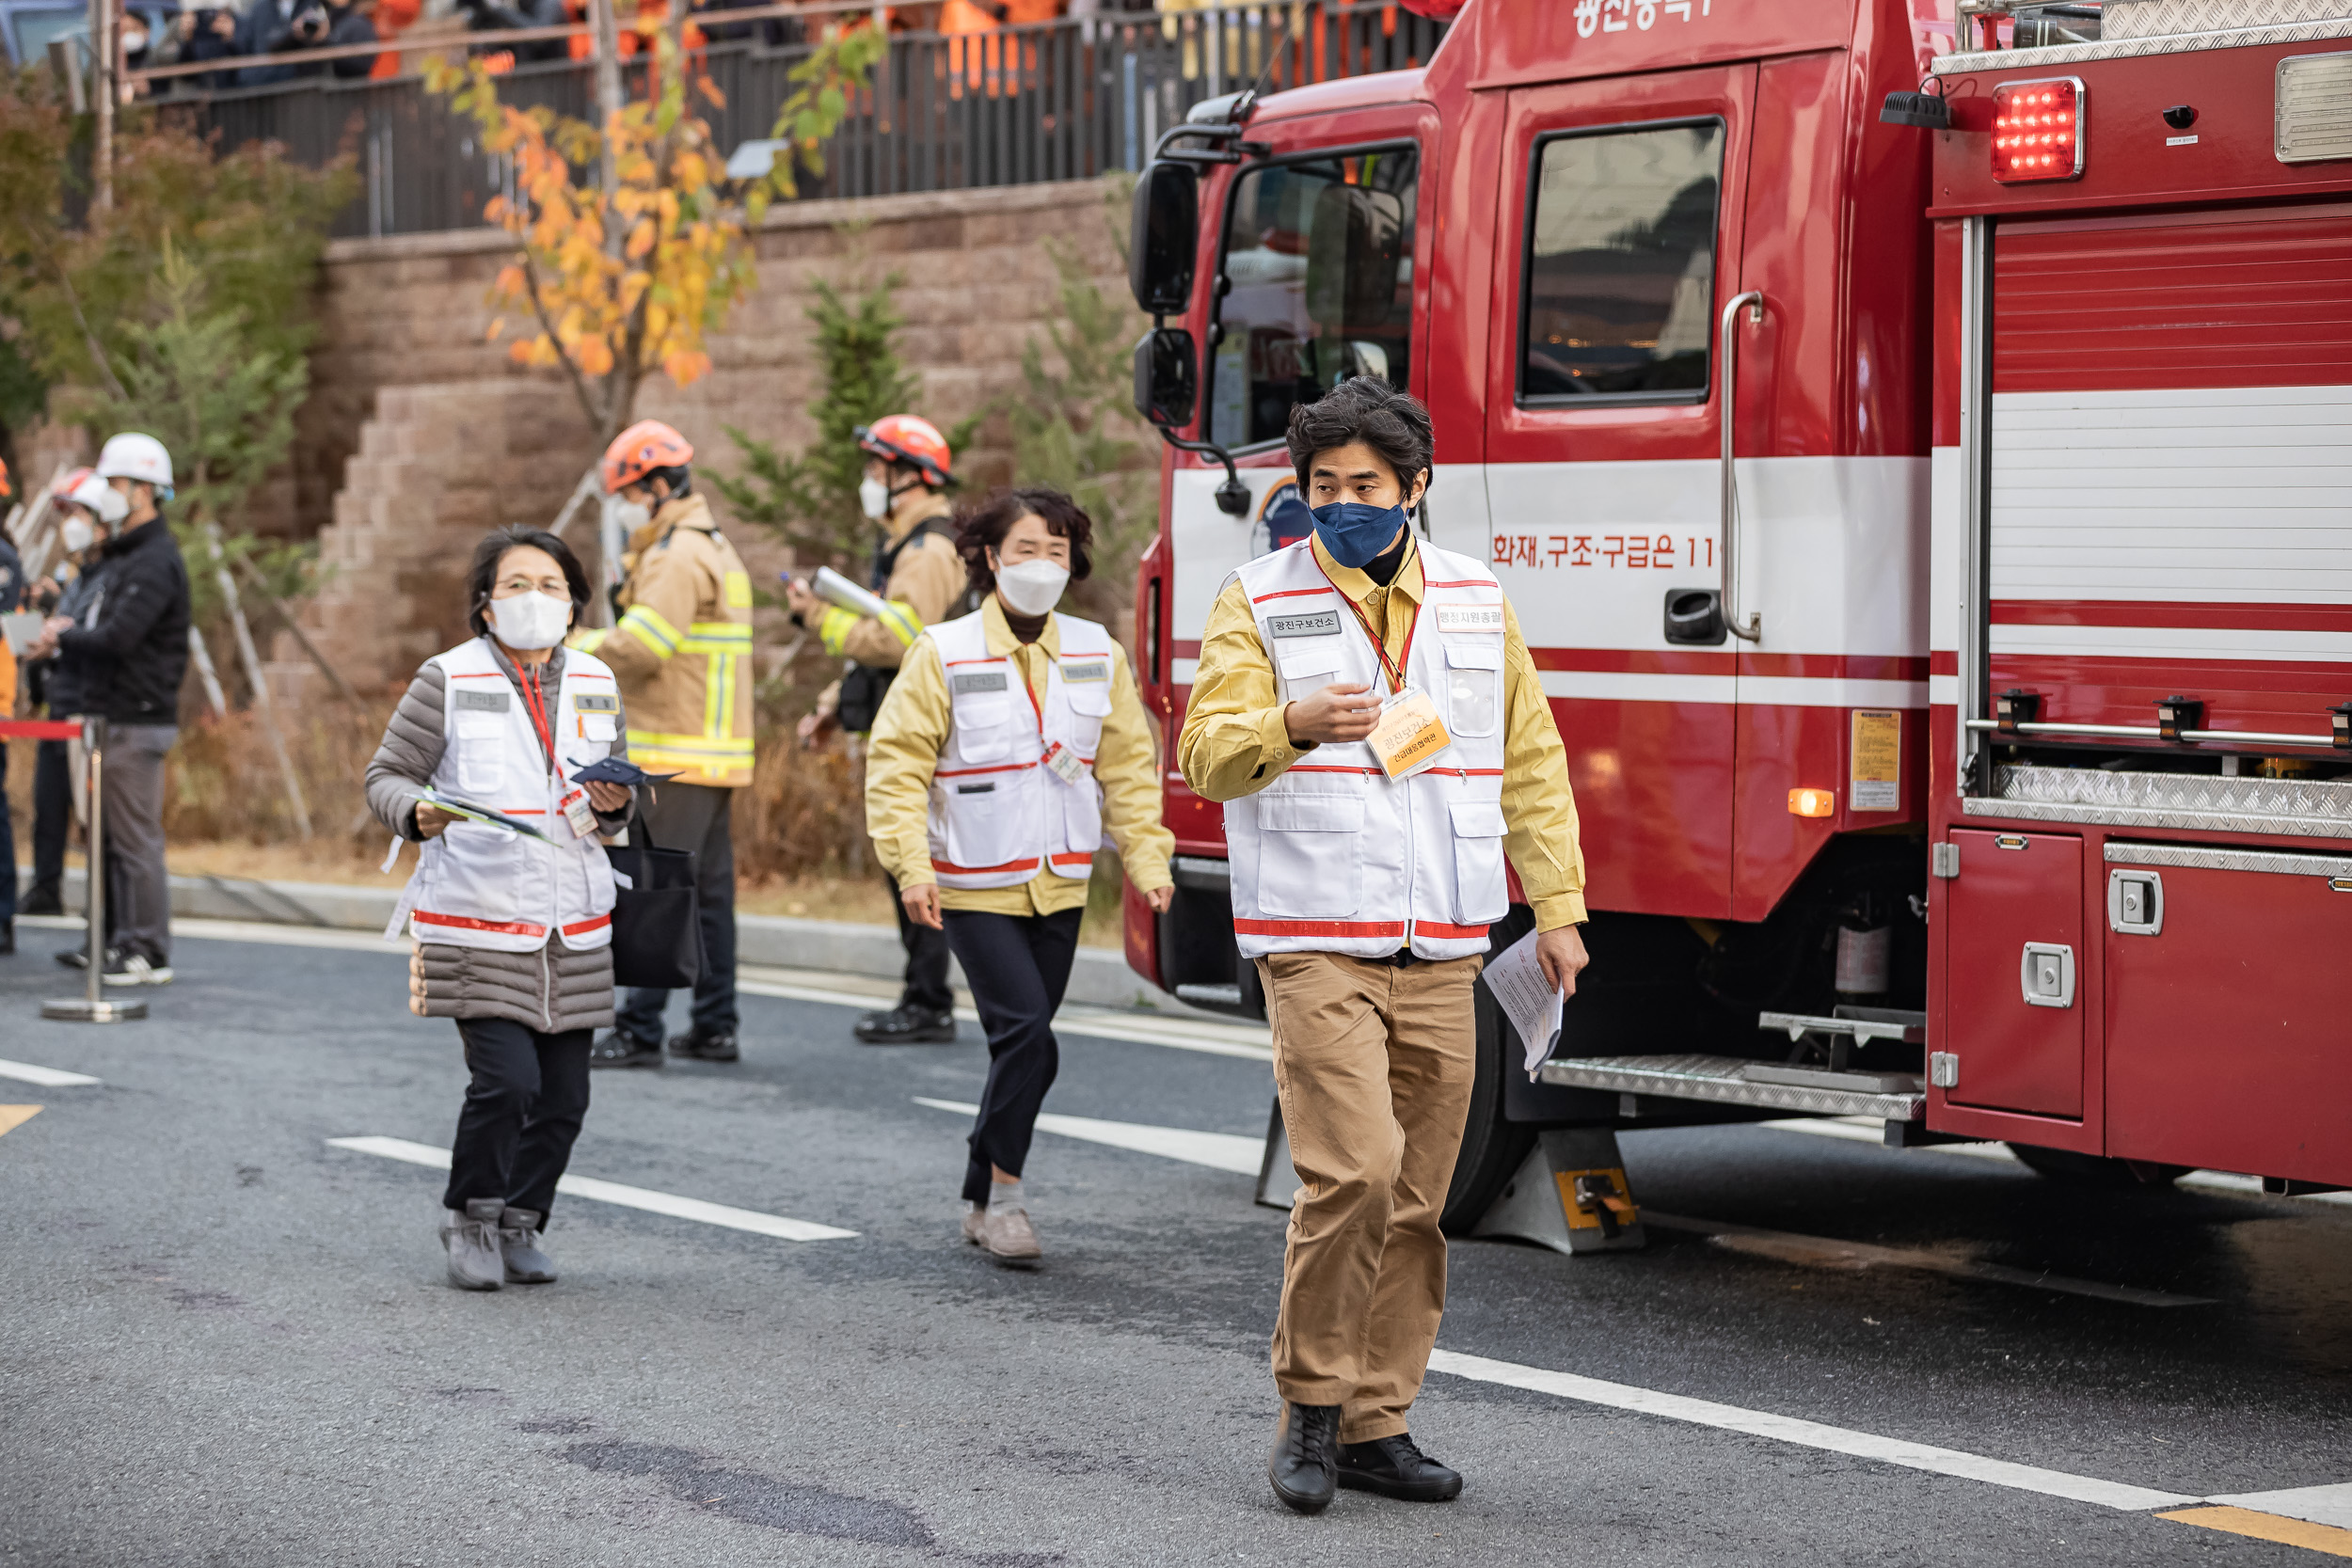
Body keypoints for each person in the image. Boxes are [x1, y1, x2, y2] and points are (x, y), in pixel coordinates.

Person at [1178, 378, 1590, 1515]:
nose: (1342, 503)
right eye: (1321, 486)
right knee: (1349, 1172)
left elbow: (1529, 759)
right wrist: (1289, 724)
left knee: (1416, 1196)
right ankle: (1310, 1405)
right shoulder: (1255, 596)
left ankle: (1376, 1420)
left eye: (1364, 484)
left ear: (1415, 488)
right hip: (1313, 935)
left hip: (1445, 937)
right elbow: (1205, 752)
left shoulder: (1471, 595)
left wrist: (1556, 907)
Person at [865, 487, 1174, 1264]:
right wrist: (910, 865)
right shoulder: (944, 650)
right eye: (1027, 549)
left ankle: (976, 1186)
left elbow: (1130, 767)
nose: (1043, 565)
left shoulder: (1096, 650)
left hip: (1059, 881)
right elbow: (897, 767)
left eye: (1059, 552)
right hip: (970, 881)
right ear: (990, 558)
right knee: (1030, 1036)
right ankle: (1006, 1199)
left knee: (1019, 1044)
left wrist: (1147, 856)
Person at [366, 526, 636, 1291]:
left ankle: (523, 1219)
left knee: (565, 1097)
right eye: (516, 584)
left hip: (574, 922)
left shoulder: (594, 679)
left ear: (575, 602)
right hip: (475, 916)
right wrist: (416, 812)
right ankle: (470, 1215)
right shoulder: (446, 678)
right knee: (508, 1082)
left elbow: (610, 812)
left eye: (551, 586)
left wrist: (615, 807)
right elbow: (386, 775)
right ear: (485, 604)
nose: (535, 599)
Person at [784, 414, 974, 1046]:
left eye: (877, 469)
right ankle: (922, 993)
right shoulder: (902, 545)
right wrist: (834, 704)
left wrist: (818, 618)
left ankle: (928, 999)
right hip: (904, 723)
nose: (869, 480)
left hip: (927, 732)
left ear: (910, 476)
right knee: (904, 857)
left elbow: (898, 641)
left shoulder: (927, 549)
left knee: (913, 857)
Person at [574, 420, 755, 1069]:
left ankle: (640, 1027)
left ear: (654, 486)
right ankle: (714, 1023)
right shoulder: (706, 542)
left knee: (653, 889)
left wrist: (571, 645)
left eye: (625, 492)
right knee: (707, 895)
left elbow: (646, 646)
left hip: (677, 753)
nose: (621, 507)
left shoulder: (678, 554)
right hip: (709, 752)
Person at [25, 438, 192, 989]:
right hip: (108, 713)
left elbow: (120, 636)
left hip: (134, 716)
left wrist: (65, 638)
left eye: (115, 487)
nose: (106, 499)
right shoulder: (126, 557)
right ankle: (119, 941)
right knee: (113, 839)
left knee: (135, 840)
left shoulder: (155, 560)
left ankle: (146, 948)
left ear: (143, 492)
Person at [19, 474, 118, 923]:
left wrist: (60, 634)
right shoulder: (78, 574)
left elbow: (91, 633)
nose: (70, 524)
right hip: (60, 702)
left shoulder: (110, 575)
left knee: (96, 820)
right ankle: (47, 886)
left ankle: (106, 925)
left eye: (76, 513)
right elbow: (61, 629)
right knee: (50, 802)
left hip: (88, 707)